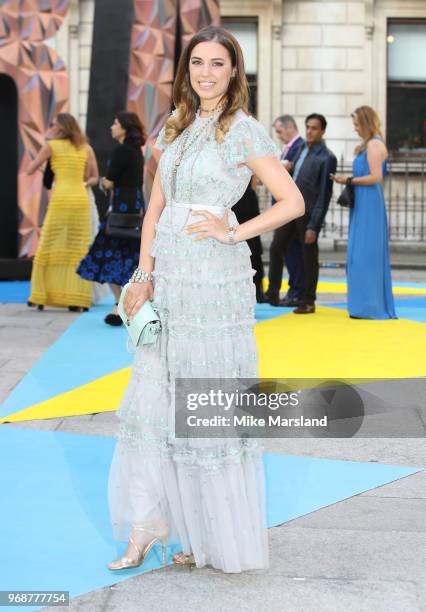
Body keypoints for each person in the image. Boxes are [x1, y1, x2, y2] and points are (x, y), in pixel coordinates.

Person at [107, 25, 304, 574]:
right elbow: (153, 210)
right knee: (154, 396)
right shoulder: (176, 124)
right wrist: (142, 276)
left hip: (214, 281)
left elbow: (292, 200)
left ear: (234, 71)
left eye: (218, 64)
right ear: (186, 69)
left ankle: (207, 534)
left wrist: (234, 231)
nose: (207, 73)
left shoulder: (243, 131)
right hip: (167, 271)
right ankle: (151, 524)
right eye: (198, 63)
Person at [77, 111, 146, 326]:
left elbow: (108, 182)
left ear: (124, 127)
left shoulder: (122, 151)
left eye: (115, 123)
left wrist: (104, 182)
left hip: (120, 210)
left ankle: (120, 304)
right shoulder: (136, 152)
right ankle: (121, 305)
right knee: (128, 257)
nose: (111, 127)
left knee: (106, 254)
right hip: (134, 206)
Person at [26, 113, 99, 311]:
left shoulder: (51, 146)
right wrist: (83, 182)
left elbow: (30, 170)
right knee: (79, 249)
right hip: (80, 200)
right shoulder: (86, 147)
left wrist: (42, 154)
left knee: (49, 245)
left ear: (60, 128)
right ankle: (78, 299)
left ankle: (41, 295)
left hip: (60, 200)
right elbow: (94, 177)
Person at [331, 106, 397, 319]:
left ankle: (369, 306)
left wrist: (347, 180)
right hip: (363, 202)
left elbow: (376, 177)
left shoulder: (374, 144)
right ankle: (363, 304)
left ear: (367, 123)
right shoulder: (369, 144)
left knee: (364, 255)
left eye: (357, 124)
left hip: (370, 203)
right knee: (358, 254)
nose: (355, 129)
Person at [267, 114, 337, 315]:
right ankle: (272, 292)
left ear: (322, 131)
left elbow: (324, 195)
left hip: (307, 215)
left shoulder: (327, 157)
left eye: (314, 128)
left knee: (308, 258)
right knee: (276, 247)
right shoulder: (302, 149)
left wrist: (314, 226)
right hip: (290, 210)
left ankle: (308, 300)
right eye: (307, 127)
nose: (309, 131)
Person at [263, 115, 305, 306]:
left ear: (290, 128)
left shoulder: (299, 146)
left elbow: (286, 169)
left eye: (280, 131)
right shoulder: (289, 148)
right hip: (282, 207)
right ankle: (289, 290)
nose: (279, 136)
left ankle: (291, 291)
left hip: (288, 208)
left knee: (285, 249)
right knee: (287, 250)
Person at [232, 177, 264, 302]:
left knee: (254, 259)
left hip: (245, 224)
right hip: (243, 224)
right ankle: (257, 293)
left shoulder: (248, 193)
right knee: (253, 259)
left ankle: (257, 292)